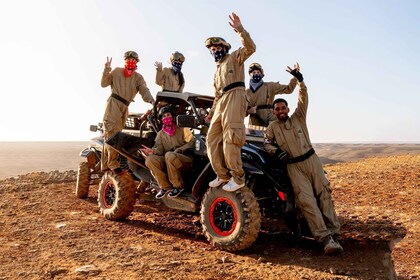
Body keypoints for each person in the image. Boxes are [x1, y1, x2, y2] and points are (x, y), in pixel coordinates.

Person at [263, 63, 343, 255]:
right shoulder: (272, 127)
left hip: (312, 161)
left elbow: (303, 98)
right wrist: (276, 151)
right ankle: (325, 238)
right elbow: (267, 143)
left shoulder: (298, 117)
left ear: (288, 109)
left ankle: (334, 232)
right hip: (294, 167)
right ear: (274, 112)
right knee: (307, 201)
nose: (281, 111)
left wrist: (300, 80)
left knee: (324, 194)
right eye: (277, 109)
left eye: (283, 107)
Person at [204, 12, 256, 192]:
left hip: (236, 95)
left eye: (217, 47)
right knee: (211, 139)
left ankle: (237, 177)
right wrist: (211, 114)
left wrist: (240, 30)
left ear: (225, 48)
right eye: (212, 50)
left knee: (231, 137)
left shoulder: (234, 58)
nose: (215, 51)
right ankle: (223, 175)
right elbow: (217, 95)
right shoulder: (217, 71)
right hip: (222, 101)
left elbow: (251, 48)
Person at [100, 51, 155, 175]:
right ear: (125, 61)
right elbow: (104, 84)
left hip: (125, 106)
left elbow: (144, 90)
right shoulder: (116, 71)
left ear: (137, 63)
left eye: (133, 60)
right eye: (128, 59)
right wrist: (106, 69)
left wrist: (151, 100)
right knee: (112, 133)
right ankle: (112, 163)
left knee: (113, 133)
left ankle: (105, 164)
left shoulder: (138, 77)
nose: (131, 62)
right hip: (114, 103)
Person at [140, 106, 195, 199]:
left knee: (169, 155)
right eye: (164, 116)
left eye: (168, 115)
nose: (166, 117)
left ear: (173, 116)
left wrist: (180, 149)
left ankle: (178, 186)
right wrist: (152, 151)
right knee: (150, 160)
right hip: (168, 158)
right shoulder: (160, 134)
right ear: (161, 119)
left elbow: (192, 142)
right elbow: (159, 150)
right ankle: (165, 187)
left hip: (185, 158)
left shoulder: (182, 129)